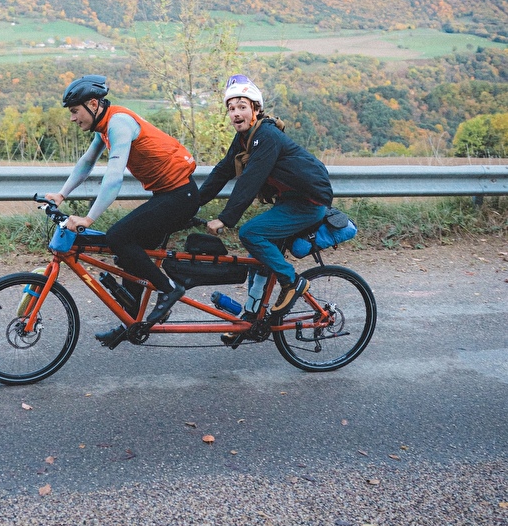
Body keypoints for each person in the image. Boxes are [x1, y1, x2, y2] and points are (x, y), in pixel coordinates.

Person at [45, 75, 199, 341]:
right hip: (167, 194)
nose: (72, 118)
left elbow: (114, 176)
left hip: (180, 195)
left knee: (119, 236)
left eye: (75, 111)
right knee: (130, 254)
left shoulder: (119, 124)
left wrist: (89, 218)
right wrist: (61, 194)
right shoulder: (104, 125)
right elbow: (87, 162)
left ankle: (168, 289)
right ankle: (132, 323)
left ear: (93, 104)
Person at [199, 75, 333, 320]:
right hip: (289, 201)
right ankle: (252, 319)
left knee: (251, 233)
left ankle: (292, 282)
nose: (236, 113)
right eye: (231, 109)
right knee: (257, 260)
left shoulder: (267, 137)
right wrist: (191, 203)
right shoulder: (244, 139)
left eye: (242, 107)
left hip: (308, 203)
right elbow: (221, 172)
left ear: (256, 110)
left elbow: (250, 180)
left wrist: (225, 219)